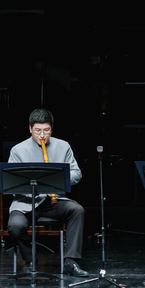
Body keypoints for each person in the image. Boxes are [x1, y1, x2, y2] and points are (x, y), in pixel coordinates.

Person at [7, 108, 88, 277]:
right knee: (15, 225)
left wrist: (59, 179)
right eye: (38, 130)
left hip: (54, 201)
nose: (42, 135)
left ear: (52, 128)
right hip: (26, 203)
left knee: (77, 210)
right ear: (30, 129)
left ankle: (71, 261)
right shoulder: (17, 150)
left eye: (46, 130)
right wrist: (36, 187)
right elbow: (13, 184)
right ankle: (31, 259)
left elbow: (77, 174)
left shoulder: (63, 146)